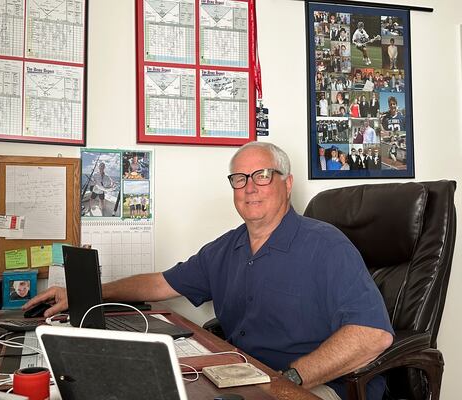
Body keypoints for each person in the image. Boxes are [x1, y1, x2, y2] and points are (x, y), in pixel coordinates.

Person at [24, 142, 393, 400]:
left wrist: (291, 380)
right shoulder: (228, 247)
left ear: (288, 183)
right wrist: (87, 295)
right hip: (243, 377)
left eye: (262, 175)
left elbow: (372, 335)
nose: (250, 188)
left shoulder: (326, 245)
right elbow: (160, 283)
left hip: (316, 386)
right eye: (240, 179)